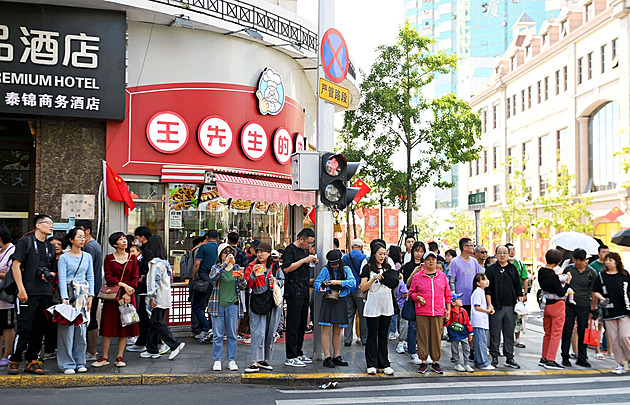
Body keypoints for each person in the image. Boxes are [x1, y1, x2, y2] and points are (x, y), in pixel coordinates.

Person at [8, 214, 57, 375]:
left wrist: (48, 274)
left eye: (52, 224)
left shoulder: (50, 247)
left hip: (44, 292)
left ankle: (32, 360)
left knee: (40, 328)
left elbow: (53, 270)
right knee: (24, 327)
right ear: (38, 225)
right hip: (27, 292)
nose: (51, 226)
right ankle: (14, 360)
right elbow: (16, 266)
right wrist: (21, 289)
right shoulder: (26, 242)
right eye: (48, 223)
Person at [92, 232, 139, 368]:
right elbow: (109, 277)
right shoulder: (109, 258)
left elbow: (135, 276)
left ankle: (120, 356)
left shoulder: (132, 258)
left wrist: (129, 293)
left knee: (124, 325)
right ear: (114, 244)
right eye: (120, 239)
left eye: (124, 239)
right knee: (108, 326)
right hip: (112, 297)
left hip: (128, 296)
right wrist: (124, 286)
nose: (124, 241)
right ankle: (104, 357)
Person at [56, 227, 94, 374]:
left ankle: (80, 361)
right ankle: (67, 363)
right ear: (71, 240)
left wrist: (91, 296)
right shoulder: (64, 257)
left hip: (83, 296)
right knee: (67, 331)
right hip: (70, 295)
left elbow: (90, 277)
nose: (82, 239)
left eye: (84, 237)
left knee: (81, 331)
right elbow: (62, 278)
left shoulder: (87, 256)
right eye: (79, 237)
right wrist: (64, 298)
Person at [141, 235, 186, 361]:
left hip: (158, 297)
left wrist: (151, 297)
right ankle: (152, 348)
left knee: (157, 322)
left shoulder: (155, 264)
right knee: (154, 323)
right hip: (163, 296)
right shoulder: (164, 263)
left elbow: (154, 282)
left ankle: (174, 344)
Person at [244, 242, 284, 373]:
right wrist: (253, 275)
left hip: (272, 300)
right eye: (258, 252)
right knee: (257, 331)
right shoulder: (251, 266)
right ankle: (255, 361)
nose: (260, 254)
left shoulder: (275, 266)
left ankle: (264, 360)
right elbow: (247, 284)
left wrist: (276, 281)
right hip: (257, 299)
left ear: (268, 253)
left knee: (270, 331)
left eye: (263, 252)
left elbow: (283, 280)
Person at [408, 251, 451, 374]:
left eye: (433, 259)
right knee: (422, 336)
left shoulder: (442, 276)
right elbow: (411, 292)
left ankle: (435, 362)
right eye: (428, 259)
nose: (431, 262)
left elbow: (447, 295)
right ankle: (423, 361)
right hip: (422, 311)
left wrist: (448, 310)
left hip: (438, 311)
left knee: (437, 337)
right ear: (424, 262)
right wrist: (417, 297)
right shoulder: (418, 276)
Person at [313, 250, 355, 368]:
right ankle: (327, 356)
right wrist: (320, 287)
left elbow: (353, 282)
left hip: (341, 300)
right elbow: (317, 282)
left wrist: (338, 282)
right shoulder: (325, 270)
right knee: (326, 329)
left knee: (337, 331)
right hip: (328, 299)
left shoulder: (346, 269)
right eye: (332, 264)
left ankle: (336, 355)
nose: (334, 266)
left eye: (336, 263)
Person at [282, 228, 318, 367]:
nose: (309, 246)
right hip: (293, 291)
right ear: (301, 239)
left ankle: (298, 352)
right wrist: (304, 260)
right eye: (308, 243)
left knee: (303, 323)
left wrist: (310, 264)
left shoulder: (305, 252)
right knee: (293, 324)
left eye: (311, 244)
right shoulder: (290, 250)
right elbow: (286, 269)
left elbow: (303, 269)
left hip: (304, 290)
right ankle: (290, 355)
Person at [208, 243, 245, 372]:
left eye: (230, 252)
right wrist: (224, 264)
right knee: (218, 335)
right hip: (217, 305)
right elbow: (212, 277)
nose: (228, 254)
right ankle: (217, 360)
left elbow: (243, 286)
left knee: (232, 335)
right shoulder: (216, 267)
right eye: (225, 252)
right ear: (220, 255)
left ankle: (231, 360)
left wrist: (241, 278)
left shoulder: (237, 267)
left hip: (233, 305)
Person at [360, 241, 395, 375]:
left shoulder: (388, 266)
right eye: (380, 254)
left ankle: (384, 363)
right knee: (372, 335)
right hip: (372, 305)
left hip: (386, 304)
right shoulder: (367, 268)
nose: (382, 256)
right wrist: (373, 279)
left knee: (383, 334)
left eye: (384, 254)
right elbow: (362, 287)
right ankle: (371, 364)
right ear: (374, 254)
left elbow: (394, 284)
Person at [485, 245, 523, 369]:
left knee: (509, 333)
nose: (502, 255)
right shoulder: (491, 270)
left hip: (510, 306)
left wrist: (520, 304)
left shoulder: (513, 269)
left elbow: (518, 287)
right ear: (496, 254)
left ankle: (509, 357)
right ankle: (494, 357)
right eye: (500, 253)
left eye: (505, 253)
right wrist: (489, 305)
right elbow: (487, 289)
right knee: (495, 333)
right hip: (496, 306)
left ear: (509, 254)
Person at [592, 252, 630, 374]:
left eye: (610, 260)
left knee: (624, 336)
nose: (608, 262)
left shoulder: (624, 275)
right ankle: (621, 363)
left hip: (625, 309)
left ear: (617, 262)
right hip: (609, 310)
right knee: (614, 339)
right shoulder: (602, 275)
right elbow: (595, 290)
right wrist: (602, 299)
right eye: (607, 260)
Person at [560, 248, 597, 368]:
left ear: (584, 260)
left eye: (579, 261)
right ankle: (565, 355)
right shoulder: (569, 269)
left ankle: (582, 356)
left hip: (584, 304)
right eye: (574, 260)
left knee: (582, 330)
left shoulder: (591, 272)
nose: (576, 263)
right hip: (569, 304)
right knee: (567, 329)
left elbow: (593, 290)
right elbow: (563, 283)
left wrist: (593, 307)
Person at [537, 248, 571, 370]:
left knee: (547, 333)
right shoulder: (552, 275)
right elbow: (561, 292)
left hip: (546, 305)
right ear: (557, 262)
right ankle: (551, 360)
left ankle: (544, 357)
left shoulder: (541, 272)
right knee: (556, 334)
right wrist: (567, 282)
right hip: (557, 305)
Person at [75, 219, 103, 362]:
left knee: (89, 320)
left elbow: (86, 270)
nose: (79, 236)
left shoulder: (90, 248)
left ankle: (92, 352)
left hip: (89, 290)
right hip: (93, 288)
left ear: (87, 231)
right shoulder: (94, 245)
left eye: (80, 232)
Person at [191, 230, 220, 342]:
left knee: (197, 306)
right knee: (213, 307)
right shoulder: (220, 249)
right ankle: (213, 329)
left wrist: (193, 276)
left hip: (204, 279)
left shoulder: (203, 248)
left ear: (206, 237)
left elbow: (197, 263)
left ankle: (206, 328)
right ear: (217, 238)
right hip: (216, 280)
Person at [127, 225, 152, 353]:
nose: (137, 240)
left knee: (144, 315)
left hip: (145, 287)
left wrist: (143, 276)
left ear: (143, 237)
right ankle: (142, 341)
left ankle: (147, 342)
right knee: (142, 314)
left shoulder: (147, 250)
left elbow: (147, 268)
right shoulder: (145, 249)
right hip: (143, 287)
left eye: (137, 238)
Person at [402, 241, 425, 364]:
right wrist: (415, 271)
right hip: (413, 299)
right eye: (417, 251)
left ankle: (423, 351)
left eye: (421, 251)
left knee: (424, 327)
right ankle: (412, 352)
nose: (419, 254)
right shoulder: (408, 266)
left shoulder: (428, 266)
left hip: (426, 299)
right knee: (412, 327)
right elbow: (408, 284)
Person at [342, 238, 367, 347]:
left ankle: (347, 339)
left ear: (351, 247)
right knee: (362, 315)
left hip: (348, 289)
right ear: (361, 248)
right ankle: (364, 338)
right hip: (360, 289)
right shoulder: (364, 258)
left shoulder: (345, 258)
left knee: (348, 315)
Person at [449, 238, 483, 316]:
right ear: (465, 247)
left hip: (473, 298)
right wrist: (454, 296)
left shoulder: (474, 261)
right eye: (471, 246)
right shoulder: (455, 262)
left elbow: (478, 278)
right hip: (460, 300)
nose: (473, 248)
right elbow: (452, 281)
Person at [506, 243, 528, 349]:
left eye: (513, 249)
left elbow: (524, 279)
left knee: (519, 317)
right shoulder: (501, 264)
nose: (512, 252)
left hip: (517, 295)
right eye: (509, 250)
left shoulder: (519, 264)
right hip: (506, 296)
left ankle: (517, 339)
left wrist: (525, 293)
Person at [471, 272, 495, 369]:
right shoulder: (478, 292)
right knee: (481, 342)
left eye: (486, 279)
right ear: (478, 283)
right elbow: (477, 307)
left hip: (482, 321)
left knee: (481, 342)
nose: (486, 281)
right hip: (479, 321)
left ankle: (478, 361)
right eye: (483, 280)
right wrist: (488, 310)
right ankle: (482, 362)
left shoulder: (481, 291)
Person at [0, 225, 16, 367]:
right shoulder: (1, 251)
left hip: (6, 296)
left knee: (8, 326)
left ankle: (7, 355)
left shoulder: (12, 251)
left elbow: (12, 274)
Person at [447, 293, 474, 373]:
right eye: (458, 299)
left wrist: (470, 332)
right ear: (453, 303)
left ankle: (466, 363)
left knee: (466, 348)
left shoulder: (464, 312)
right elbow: (447, 323)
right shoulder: (450, 312)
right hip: (454, 334)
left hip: (463, 333)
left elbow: (468, 322)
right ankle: (457, 363)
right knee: (455, 349)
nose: (461, 300)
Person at [387, 245, 403, 340]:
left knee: (394, 311)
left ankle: (393, 331)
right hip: (393, 289)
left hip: (394, 289)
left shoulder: (396, 265)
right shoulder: (392, 263)